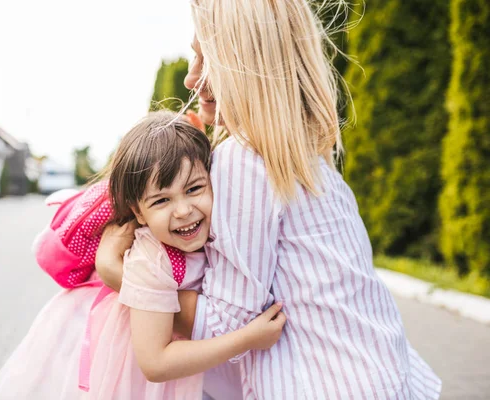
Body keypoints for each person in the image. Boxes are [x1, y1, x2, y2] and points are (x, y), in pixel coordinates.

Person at [96, 1, 442, 398]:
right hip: (379, 375)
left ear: (243, 65)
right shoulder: (305, 154)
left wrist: (117, 274)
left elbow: (227, 323)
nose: (191, 79)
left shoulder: (243, 160)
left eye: (204, 58)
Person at [0, 111, 286, 400]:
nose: (183, 210)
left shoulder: (219, 230)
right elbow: (156, 363)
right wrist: (247, 339)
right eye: (161, 200)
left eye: (194, 188)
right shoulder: (152, 257)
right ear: (138, 213)